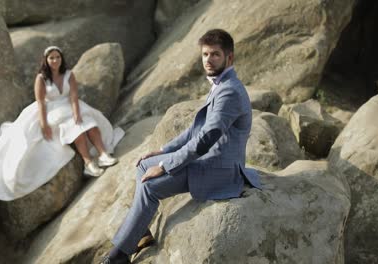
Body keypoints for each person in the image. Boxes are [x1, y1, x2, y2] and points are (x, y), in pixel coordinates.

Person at [100, 29, 262, 264]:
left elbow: (206, 138)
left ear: (230, 58)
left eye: (215, 54)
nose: (208, 59)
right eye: (205, 54)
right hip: (210, 161)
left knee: (150, 185)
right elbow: (195, 131)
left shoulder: (229, 91)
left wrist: (166, 166)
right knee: (143, 164)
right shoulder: (221, 83)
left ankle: (119, 256)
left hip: (220, 170)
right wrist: (165, 150)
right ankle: (139, 231)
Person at [0, 46, 124, 201]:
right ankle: (88, 163)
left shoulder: (69, 75)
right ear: (46, 60)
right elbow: (41, 103)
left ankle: (102, 154)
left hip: (69, 106)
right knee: (75, 130)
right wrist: (44, 124)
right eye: (51, 58)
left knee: (89, 122)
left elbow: (74, 95)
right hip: (51, 110)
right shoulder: (41, 78)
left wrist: (76, 112)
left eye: (57, 57)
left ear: (61, 59)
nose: (55, 60)